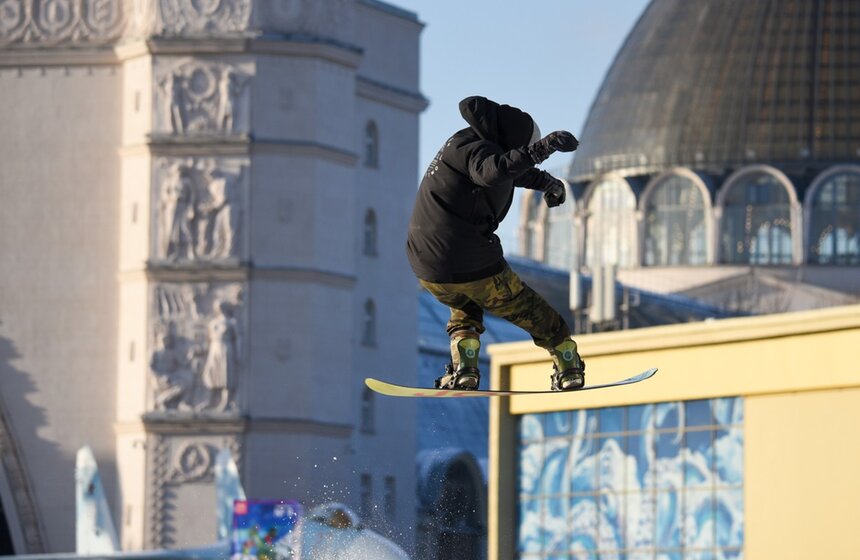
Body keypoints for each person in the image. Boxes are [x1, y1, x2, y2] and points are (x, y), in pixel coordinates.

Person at [406, 96, 585, 391]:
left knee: (464, 305)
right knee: (531, 311)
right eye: (522, 151)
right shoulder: (482, 152)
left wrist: (548, 183)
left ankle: (465, 367)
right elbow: (494, 172)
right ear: (513, 143)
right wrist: (543, 149)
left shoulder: (467, 144)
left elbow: (508, 170)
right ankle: (568, 366)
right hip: (467, 257)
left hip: (428, 268)